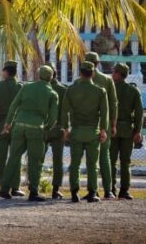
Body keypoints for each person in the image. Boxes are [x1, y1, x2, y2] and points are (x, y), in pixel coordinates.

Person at [0, 66, 59, 201]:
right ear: (51, 77)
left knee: (13, 157)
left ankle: (4, 189)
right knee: (35, 161)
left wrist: (8, 123)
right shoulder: (52, 94)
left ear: (38, 75)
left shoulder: (26, 87)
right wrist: (46, 127)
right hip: (36, 128)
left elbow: (14, 105)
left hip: (19, 126)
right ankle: (34, 192)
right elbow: (53, 118)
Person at [62, 61, 108, 203]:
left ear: (80, 73)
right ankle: (92, 192)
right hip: (92, 133)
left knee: (75, 164)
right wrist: (103, 130)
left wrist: (65, 129)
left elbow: (64, 111)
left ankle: (74, 192)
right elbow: (104, 113)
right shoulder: (100, 91)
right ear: (93, 73)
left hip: (76, 132)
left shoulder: (71, 90)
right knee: (92, 164)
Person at [84, 52, 118, 199]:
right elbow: (113, 103)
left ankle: (93, 190)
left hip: (87, 124)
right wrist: (113, 124)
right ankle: (108, 190)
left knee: (91, 159)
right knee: (105, 158)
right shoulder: (107, 80)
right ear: (98, 63)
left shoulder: (81, 81)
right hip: (104, 124)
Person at [110, 62, 143, 200]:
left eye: (114, 71)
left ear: (118, 73)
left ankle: (110, 189)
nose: (112, 73)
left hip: (112, 129)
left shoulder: (109, 89)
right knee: (126, 161)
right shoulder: (133, 90)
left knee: (110, 161)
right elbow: (139, 113)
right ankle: (124, 191)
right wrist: (137, 131)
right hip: (128, 131)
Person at [0, 60, 23, 196]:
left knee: (1, 157)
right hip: (17, 124)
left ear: (6, 72)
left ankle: (5, 185)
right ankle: (15, 187)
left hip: (2, 123)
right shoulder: (21, 87)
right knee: (16, 156)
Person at [44, 64, 67, 199]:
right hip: (58, 128)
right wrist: (66, 127)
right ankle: (56, 189)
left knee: (38, 158)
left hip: (43, 128)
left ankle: (33, 188)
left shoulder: (40, 88)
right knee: (58, 160)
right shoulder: (63, 89)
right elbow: (66, 112)